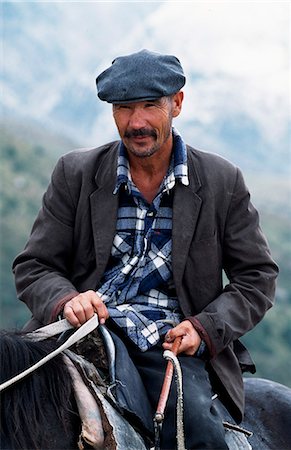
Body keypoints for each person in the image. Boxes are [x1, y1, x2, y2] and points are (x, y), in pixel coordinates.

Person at [13, 49, 278, 449]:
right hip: (80, 332)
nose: (136, 122)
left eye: (150, 106)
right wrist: (67, 300)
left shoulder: (223, 181)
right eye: (123, 108)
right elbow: (34, 265)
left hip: (169, 343)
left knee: (199, 437)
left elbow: (257, 278)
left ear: (177, 103)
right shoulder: (76, 173)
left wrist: (205, 328)